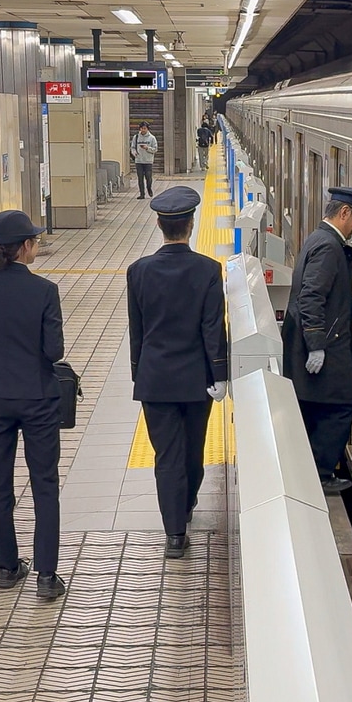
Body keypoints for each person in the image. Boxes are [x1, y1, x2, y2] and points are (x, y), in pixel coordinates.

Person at [0, 209, 67, 601]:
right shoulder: (44, 291)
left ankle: (6, 568)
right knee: (44, 484)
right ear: (25, 247)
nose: (37, 245)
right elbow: (54, 351)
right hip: (37, 397)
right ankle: (47, 576)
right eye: (35, 240)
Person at [127, 186, 230, 558]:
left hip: (155, 380)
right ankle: (186, 504)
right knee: (193, 450)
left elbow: (136, 330)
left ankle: (174, 534)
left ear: (159, 224)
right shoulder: (207, 270)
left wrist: (139, 373)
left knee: (166, 456)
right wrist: (219, 373)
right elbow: (212, 327)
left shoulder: (138, 272)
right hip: (195, 381)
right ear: (191, 224)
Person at [282, 187, 352, 494]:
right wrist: (316, 344)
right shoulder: (330, 246)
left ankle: (309, 468)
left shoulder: (319, 238)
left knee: (315, 407)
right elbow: (312, 296)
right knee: (342, 403)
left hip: (318, 338)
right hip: (326, 343)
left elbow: (331, 295)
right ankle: (319, 473)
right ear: (344, 212)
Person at [131, 122, 158, 199]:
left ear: (147, 129)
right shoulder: (136, 137)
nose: (143, 130)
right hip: (138, 161)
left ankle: (149, 188)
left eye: (145, 128)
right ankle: (142, 194)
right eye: (142, 128)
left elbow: (155, 149)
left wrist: (147, 148)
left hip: (148, 161)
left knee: (148, 177)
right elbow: (132, 147)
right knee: (140, 178)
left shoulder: (152, 138)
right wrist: (134, 153)